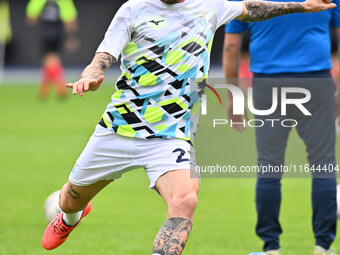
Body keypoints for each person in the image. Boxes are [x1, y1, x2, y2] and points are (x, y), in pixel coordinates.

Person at [41, 0, 336, 254]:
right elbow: (103, 56)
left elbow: (253, 8)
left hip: (170, 137)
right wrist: (91, 75)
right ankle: (70, 218)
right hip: (118, 128)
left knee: (185, 200)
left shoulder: (210, 6)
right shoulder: (133, 9)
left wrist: (301, 6)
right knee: (69, 199)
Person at [224, 0, 340, 254]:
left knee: (269, 166)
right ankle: (323, 246)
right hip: (316, 82)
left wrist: (234, 95)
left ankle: (271, 248)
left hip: (269, 84)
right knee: (323, 165)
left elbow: (231, 47)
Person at [26, 0, 79, 99]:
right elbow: (70, 19)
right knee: (51, 59)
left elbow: (31, 18)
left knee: (50, 59)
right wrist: (72, 36)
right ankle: (48, 87)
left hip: (45, 33)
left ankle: (57, 86)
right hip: (58, 33)